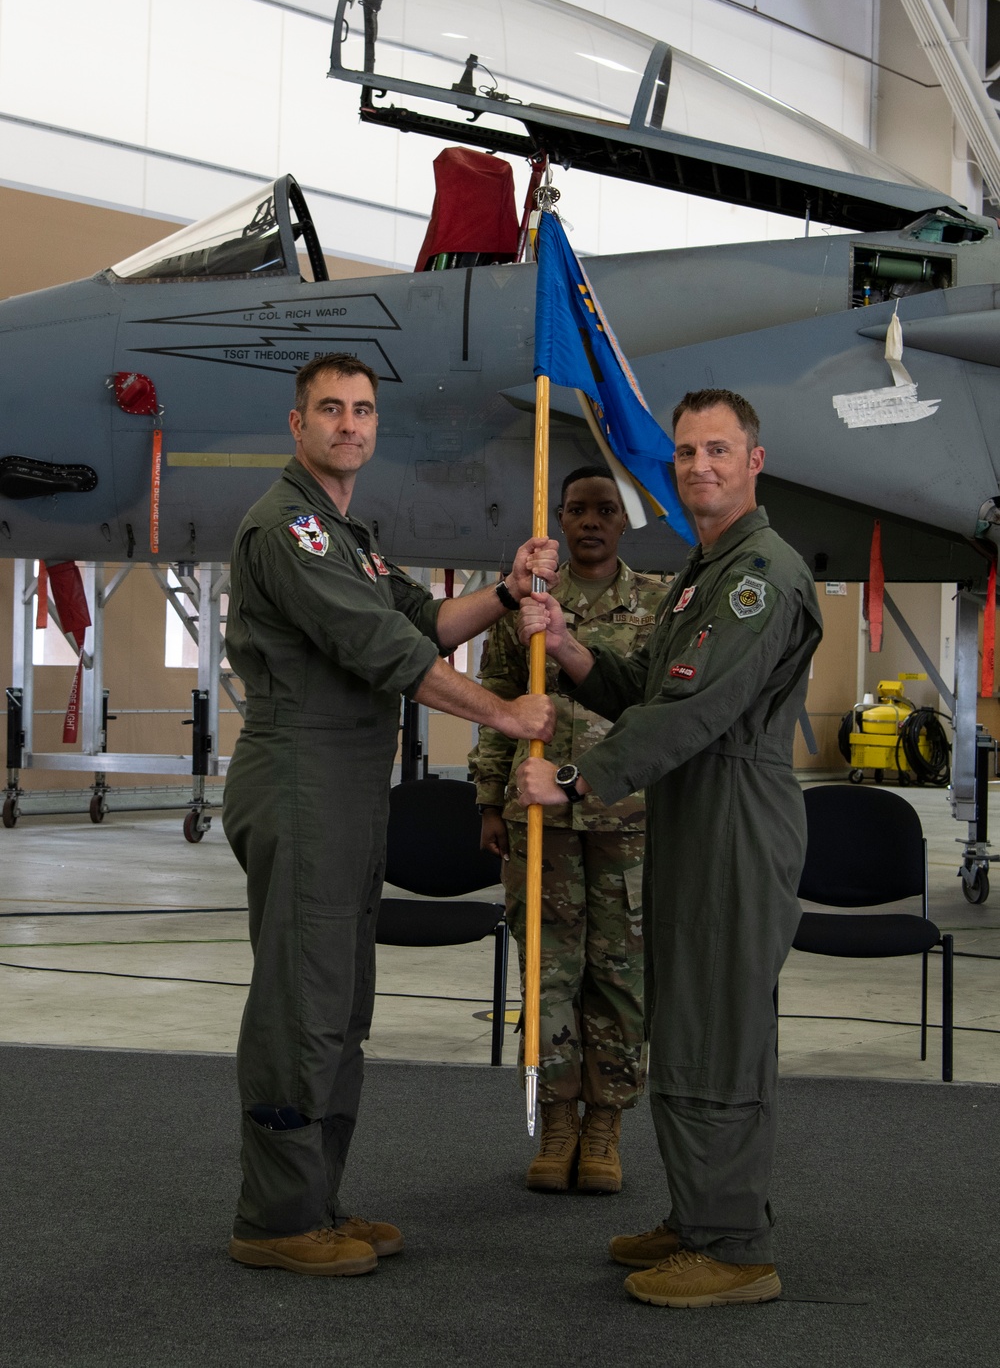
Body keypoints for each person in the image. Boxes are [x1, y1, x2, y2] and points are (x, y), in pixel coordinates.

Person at [223, 351, 556, 1277]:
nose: (349, 424)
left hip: (347, 786)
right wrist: (505, 715)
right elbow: (384, 651)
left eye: (363, 410)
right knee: (302, 1003)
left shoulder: (349, 534)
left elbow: (422, 621)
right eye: (330, 409)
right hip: (300, 777)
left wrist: (511, 590)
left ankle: (315, 1199)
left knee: (338, 1005)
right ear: (298, 425)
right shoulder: (291, 528)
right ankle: (276, 1216)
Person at [517, 389, 822, 1309]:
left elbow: (695, 711)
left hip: (734, 814)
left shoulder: (757, 574)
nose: (699, 466)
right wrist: (571, 649)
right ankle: (700, 1215)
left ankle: (732, 1246)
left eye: (718, 450)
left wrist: (575, 780)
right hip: (695, 809)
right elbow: (652, 689)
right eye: (686, 452)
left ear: (754, 461)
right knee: (685, 1021)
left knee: (718, 1032)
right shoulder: (705, 571)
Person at [469, 467, 670, 1193]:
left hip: (628, 824)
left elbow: (660, 710)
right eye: (577, 510)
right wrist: (490, 801)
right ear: (557, 519)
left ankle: (606, 1126)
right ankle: (556, 1123)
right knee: (548, 974)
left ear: (624, 522)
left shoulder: (656, 602)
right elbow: (495, 707)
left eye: (605, 510)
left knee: (620, 978)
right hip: (537, 825)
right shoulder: (523, 605)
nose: (591, 522)